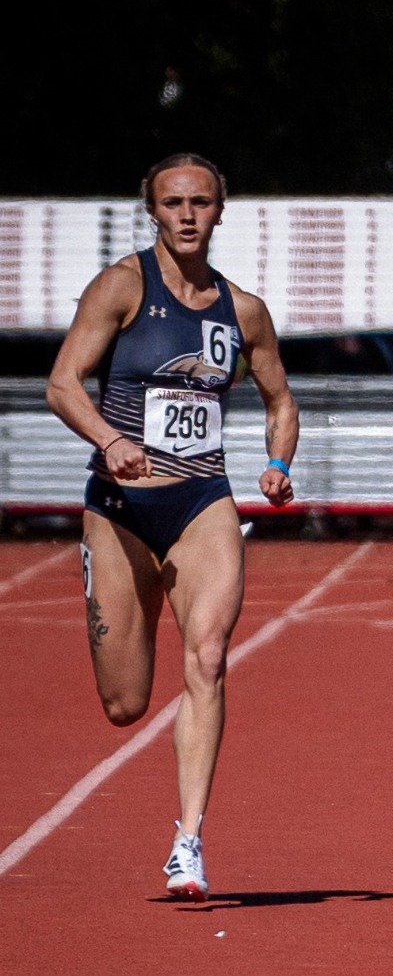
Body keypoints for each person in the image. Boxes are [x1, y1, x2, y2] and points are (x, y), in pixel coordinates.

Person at [44, 153, 299, 900]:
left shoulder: (242, 310)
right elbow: (61, 383)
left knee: (210, 656)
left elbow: (280, 400)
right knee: (125, 704)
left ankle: (187, 841)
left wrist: (277, 461)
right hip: (120, 508)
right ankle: (130, 597)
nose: (187, 214)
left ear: (221, 210)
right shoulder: (124, 286)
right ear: (152, 210)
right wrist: (111, 440)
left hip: (201, 501)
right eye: (173, 201)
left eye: (201, 201)